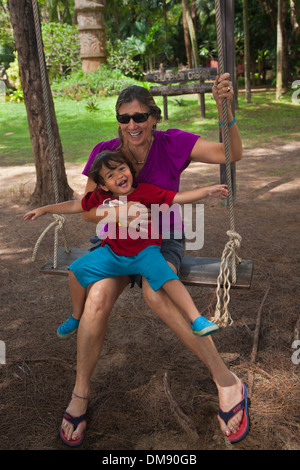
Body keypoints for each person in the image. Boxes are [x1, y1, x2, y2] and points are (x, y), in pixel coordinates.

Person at [52, 73, 249, 446]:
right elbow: (89, 212)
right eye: (124, 118)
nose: (132, 125)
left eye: (140, 117)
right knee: (96, 298)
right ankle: (80, 393)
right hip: (116, 239)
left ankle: (227, 381)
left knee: (157, 294)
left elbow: (232, 153)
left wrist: (225, 107)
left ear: (154, 118)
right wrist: (116, 214)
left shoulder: (174, 143)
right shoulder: (106, 152)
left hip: (163, 236)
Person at [24, 149, 229, 340]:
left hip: (146, 253)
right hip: (113, 253)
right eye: (110, 175)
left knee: (168, 277)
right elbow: (76, 205)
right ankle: (76, 316)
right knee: (75, 270)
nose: (119, 175)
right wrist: (46, 209)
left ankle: (196, 319)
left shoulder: (147, 192)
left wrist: (207, 191)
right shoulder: (102, 197)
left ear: (130, 170)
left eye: (122, 169)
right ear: (103, 185)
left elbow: (178, 197)